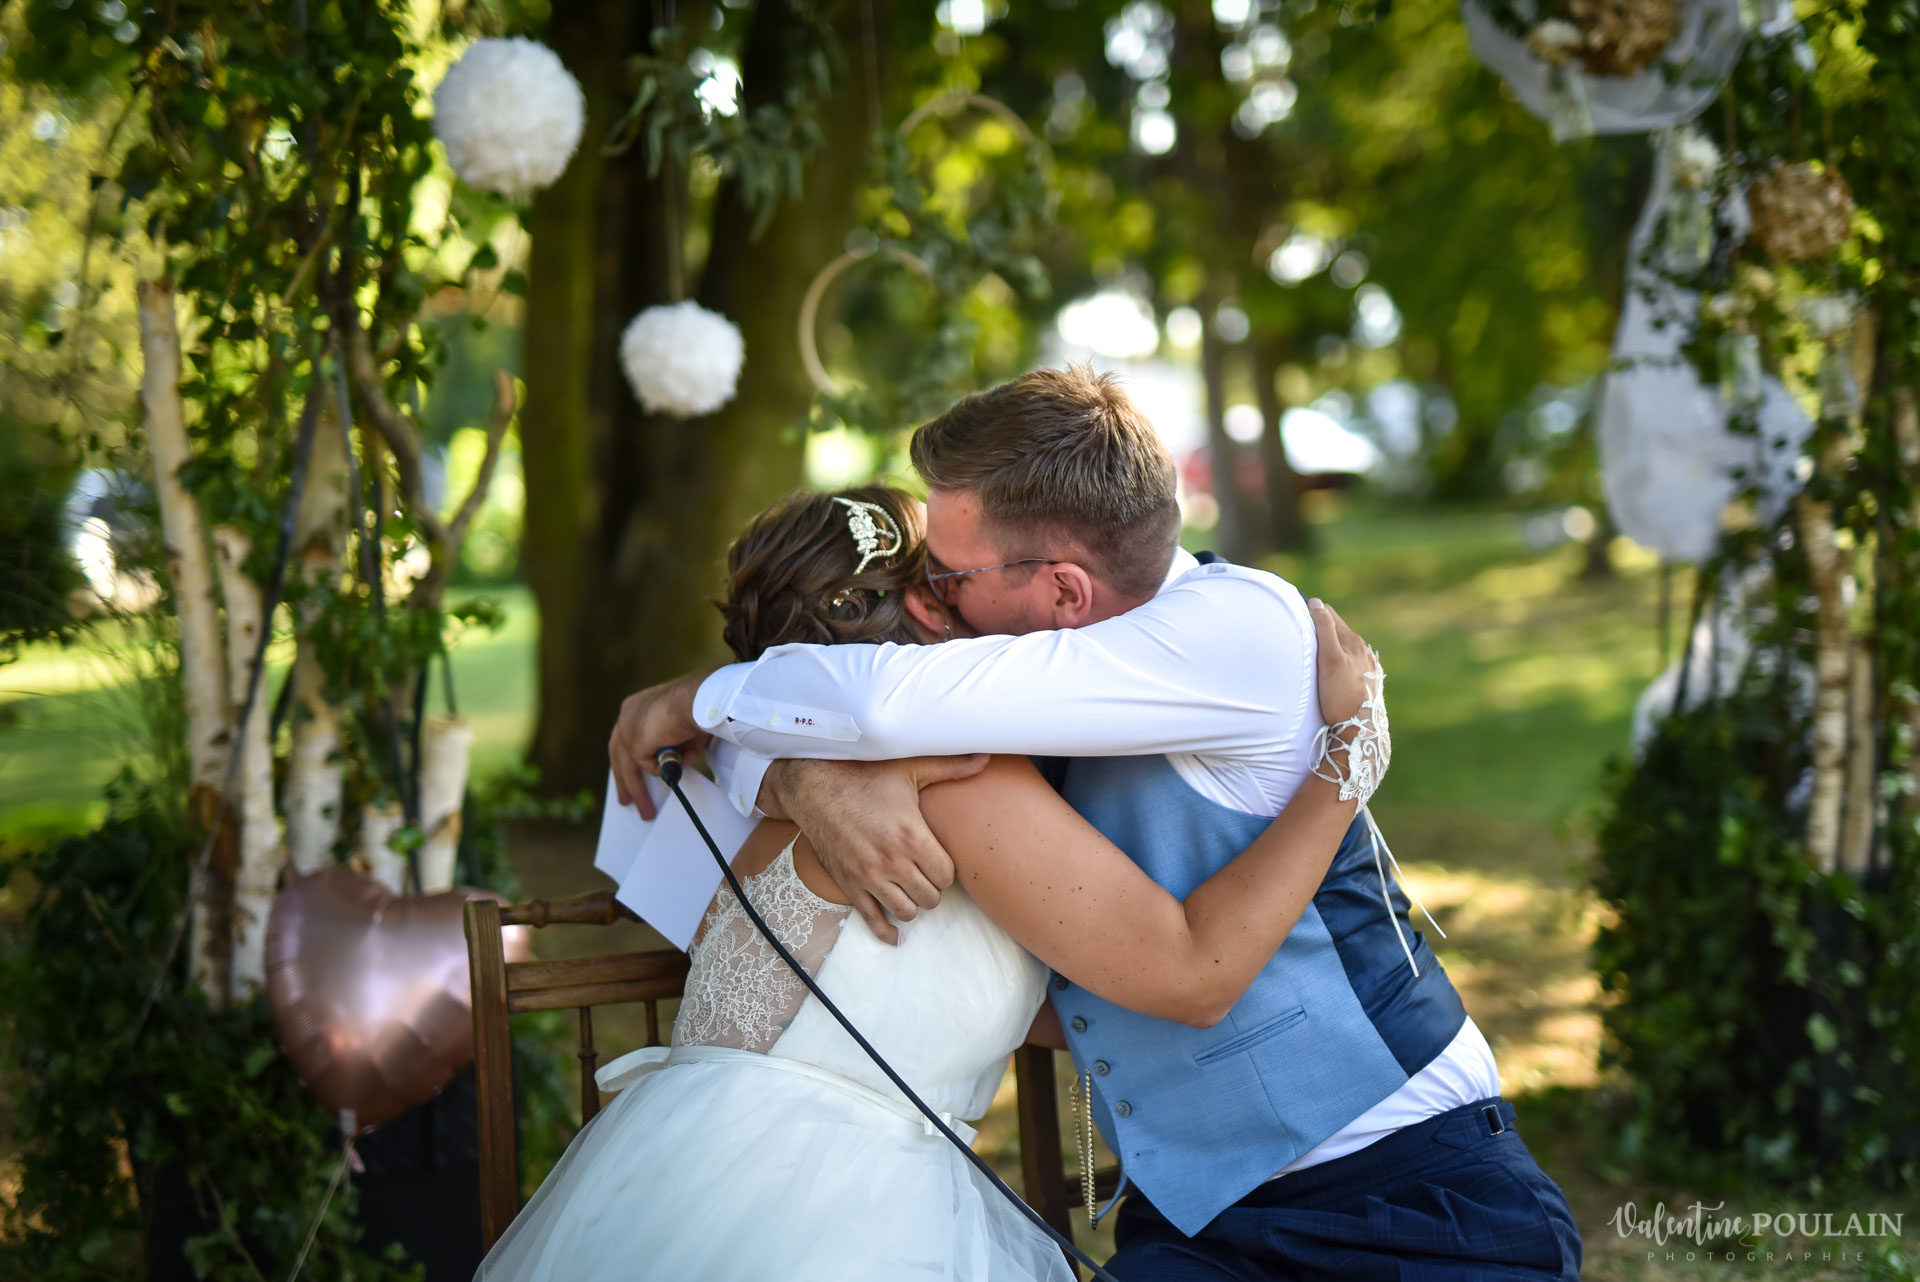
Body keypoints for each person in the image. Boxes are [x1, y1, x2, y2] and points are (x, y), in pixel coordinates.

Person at [611, 366, 1583, 1281]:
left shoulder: (1234, 631)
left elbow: (880, 704)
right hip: (1193, 1211)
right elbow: (855, 713)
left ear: (1065, 590)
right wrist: (799, 775)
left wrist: (710, 701)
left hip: (1399, 1180)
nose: (923, 600)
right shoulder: (1026, 691)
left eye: (944, 579)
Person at [478, 485, 1388, 1282]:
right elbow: (1191, 971)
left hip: (679, 1171)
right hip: (839, 1201)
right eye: (956, 580)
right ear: (923, 607)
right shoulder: (960, 773)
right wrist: (1348, 761)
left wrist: (751, 734)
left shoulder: (802, 763)